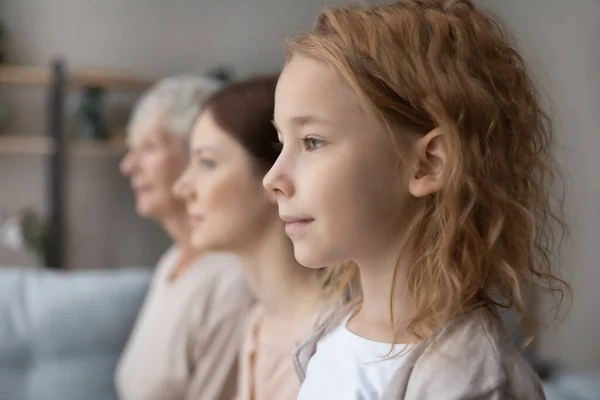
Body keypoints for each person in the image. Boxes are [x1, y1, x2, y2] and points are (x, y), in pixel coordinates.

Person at [263, 1, 571, 399]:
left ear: (428, 164)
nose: (273, 178)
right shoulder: (333, 333)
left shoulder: (467, 378)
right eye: (279, 142)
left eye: (313, 142)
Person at [173, 76, 334, 400]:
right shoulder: (257, 323)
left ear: (272, 175)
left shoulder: (332, 341)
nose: (181, 187)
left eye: (207, 163)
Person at [116, 75, 254, 400]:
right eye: (131, 149)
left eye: (148, 147)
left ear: (198, 154)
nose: (127, 165)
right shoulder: (170, 264)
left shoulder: (233, 282)